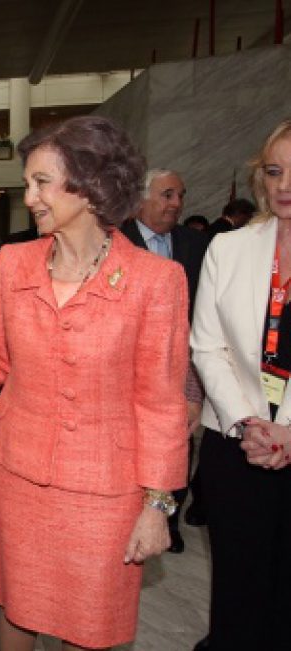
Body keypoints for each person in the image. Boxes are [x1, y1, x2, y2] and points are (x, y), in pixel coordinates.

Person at [0, 116, 190, 651]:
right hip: (17, 475)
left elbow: (162, 403)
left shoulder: (155, 282)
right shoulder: (13, 263)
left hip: (106, 488)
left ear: (90, 182)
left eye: (41, 182)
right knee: (18, 607)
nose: (29, 197)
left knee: (90, 624)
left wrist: (157, 505)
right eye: (28, 182)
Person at [189, 118, 291, 651]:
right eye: (274, 171)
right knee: (237, 589)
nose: (283, 185)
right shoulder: (229, 249)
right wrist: (249, 421)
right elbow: (206, 345)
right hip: (237, 442)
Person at [121, 168, 209, 553]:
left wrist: (194, 384)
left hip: (178, 366)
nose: (177, 204)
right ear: (140, 199)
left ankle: (168, 520)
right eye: (167, 195)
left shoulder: (196, 244)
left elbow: (205, 314)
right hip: (126, 369)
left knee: (177, 441)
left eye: (180, 195)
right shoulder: (114, 240)